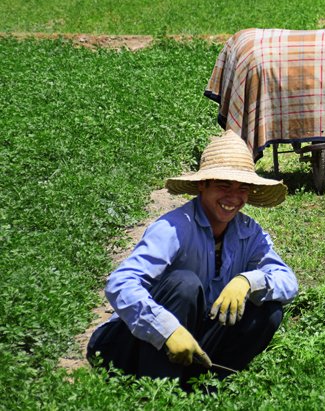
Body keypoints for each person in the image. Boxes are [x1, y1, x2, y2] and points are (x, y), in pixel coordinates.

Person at [87, 130, 298, 383]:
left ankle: (207, 383)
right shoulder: (174, 227)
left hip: (193, 340)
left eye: (242, 188)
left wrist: (247, 281)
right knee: (184, 285)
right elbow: (120, 283)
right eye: (223, 185)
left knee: (269, 311)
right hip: (128, 345)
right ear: (202, 186)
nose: (233, 197)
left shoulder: (249, 232)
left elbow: (287, 281)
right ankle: (159, 391)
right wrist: (167, 330)